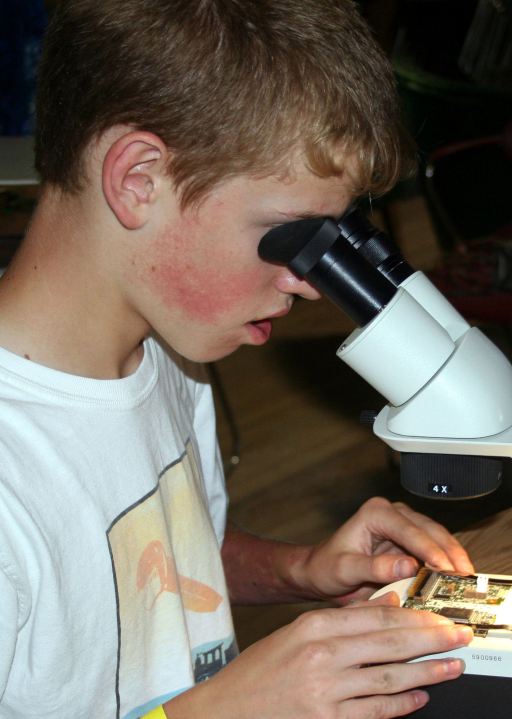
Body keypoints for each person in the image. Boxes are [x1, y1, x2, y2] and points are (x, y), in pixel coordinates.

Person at [0, 1, 476, 717]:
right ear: (139, 179)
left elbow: (143, 575)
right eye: (288, 237)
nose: (307, 284)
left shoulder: (167, 352)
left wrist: (300, 570)